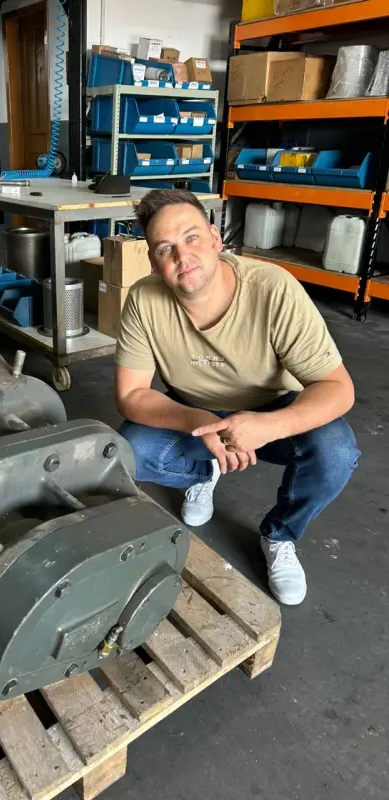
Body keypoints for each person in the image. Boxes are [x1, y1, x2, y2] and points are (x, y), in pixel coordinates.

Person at [115, 189, 359, 606]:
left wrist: (269, 425)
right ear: (153, 261)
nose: (182, 256)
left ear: (215, 238)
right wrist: (198, 422)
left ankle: (279, 534)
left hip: (274, 409)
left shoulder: (272, 289)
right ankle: (203, 472)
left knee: (335, 450)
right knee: (130, 449)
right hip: (196, 413)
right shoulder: (144, 299)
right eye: (165, 248)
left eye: (191, 237)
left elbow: (339, 388)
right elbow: (132, 395)